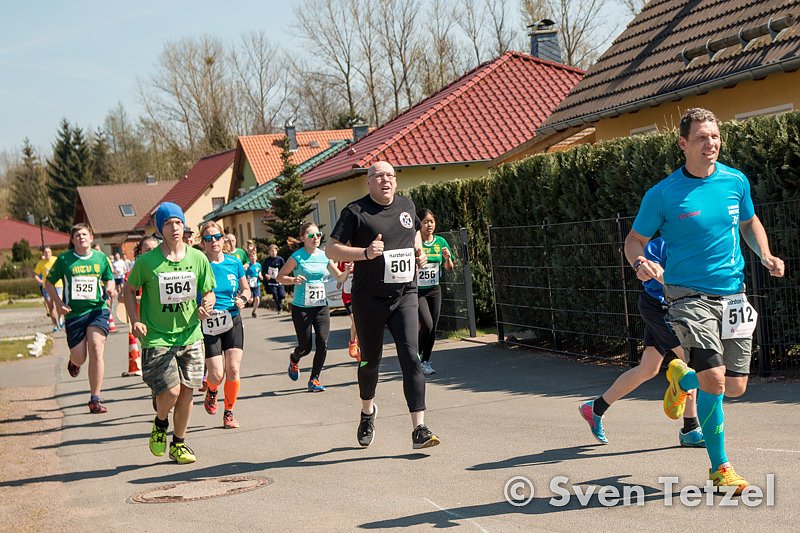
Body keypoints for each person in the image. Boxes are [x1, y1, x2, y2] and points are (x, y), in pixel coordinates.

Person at [624, 108, 785, 493]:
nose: (710, 143)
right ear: (683, 144)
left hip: (734, 294)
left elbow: (748, 222)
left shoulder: (736, 181)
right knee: (715, 381)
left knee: (735, 386)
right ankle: (721, 468)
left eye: (714, 136)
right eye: (701, 137)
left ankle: (682, 381)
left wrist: (763, 252)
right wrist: (640, 263)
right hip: (687, 296)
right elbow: (634, 241)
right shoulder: (662, 194)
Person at [327, 161, 440, 450]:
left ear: (395, 181)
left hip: (405, 295)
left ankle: (420, 429)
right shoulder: (355, 211)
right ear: (369, 182)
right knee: (370, 362)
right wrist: (364, 252)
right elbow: (331, 247)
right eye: (378, 176)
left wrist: (418, 250)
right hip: (369, 300)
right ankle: (367, 412)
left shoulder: (407, 205)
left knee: (411, 359)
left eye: (390, 175)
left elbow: (413, 231)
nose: (385, 180)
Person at [579, 237, 703, 447]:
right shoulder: (658, 246)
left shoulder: (692, 244)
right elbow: (655, 274)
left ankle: (596, 408)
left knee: (648, 369)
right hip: (659, 308)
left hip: (670, 308)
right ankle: (690, 428)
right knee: (694, 360)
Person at [124, 202, 216, 464]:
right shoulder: (147, 262)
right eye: (168, 223)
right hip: (157, 336)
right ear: (159, 229)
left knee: (188, 391)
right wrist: (135, 320)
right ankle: (160, 422)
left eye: (178, 222)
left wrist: (207, 302)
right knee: (172, 392)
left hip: (190, 334)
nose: (175, 228)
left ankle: (179, 444)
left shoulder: (197, 258)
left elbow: (208, 290)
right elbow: (128, 291)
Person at [45, 224, 116, 414]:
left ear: (91, 238)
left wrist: (110, 288)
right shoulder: (64, 260)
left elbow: (109, 278)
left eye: (84, 234)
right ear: (72, 240)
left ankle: (95, 398)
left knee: (96, 347)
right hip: (74, 313)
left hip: (97, 310)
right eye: (76, 235)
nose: (81, 237)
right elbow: (49, 283)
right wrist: (59, 303)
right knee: (80, 356)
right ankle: (74, 361)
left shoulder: (101, 258)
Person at [277, 223, 345, 392]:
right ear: (302, 238)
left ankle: (314, 379)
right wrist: (293, 280)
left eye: (318, 235)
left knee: (323, 343)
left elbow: (340, 278)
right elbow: (280, 277)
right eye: (311, 235)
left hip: (321, 306)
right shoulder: (297, 257)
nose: (316, 238)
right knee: (305, 347)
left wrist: (348, 271)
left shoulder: (324, 256)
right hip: (302, 308)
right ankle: (294, 359)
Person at [199, 221, 251, 429]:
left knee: (233, 369)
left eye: (217, 237)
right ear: (203, 243)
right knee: (216, 375)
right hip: (209, 322)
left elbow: (245, 288)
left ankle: (229, 412)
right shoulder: (200, 265)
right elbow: (191, 295)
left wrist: (244, 299)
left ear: (223, 239)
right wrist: (198, 309)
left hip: (232, 319)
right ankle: (212, 391)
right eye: (208, 238)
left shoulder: (234, 262)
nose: (214, 242)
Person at [417, 209, 454, 375]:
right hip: (418, 291)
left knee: (433, 328)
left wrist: (447, 258)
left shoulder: (441, 242)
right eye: (425, 222)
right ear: (419, 224)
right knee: (427, 323)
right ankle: (415, 355)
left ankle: (425, 361)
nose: (429, 225)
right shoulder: (415, 241)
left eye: (431, 221)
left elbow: (449, 268)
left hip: (434, 289)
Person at [34, 247, 64, 332]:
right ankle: (55, 324)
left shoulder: (56, 260)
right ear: (43, 254)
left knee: (59, 302)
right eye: (45, 252)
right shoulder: (41, 263)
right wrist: (39, 280)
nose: (47, 254)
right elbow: (36, 274)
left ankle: (61, 317)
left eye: (48, 252)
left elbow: (62, 269)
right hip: (46, 286)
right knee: (50, 306)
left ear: (51, 253)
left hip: (58, 285)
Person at [336, 260, 360, 360]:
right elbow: (339, 276)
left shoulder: (360, 258)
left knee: (361, 323)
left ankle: (359, 348)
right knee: (355, 319)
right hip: (348, 297)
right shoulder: (342, 261)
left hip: (360, 296)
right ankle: (352, 343)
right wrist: (339, 282)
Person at [262, 244, 286, 314]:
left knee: (282, 294)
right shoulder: (267, 260)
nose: (273, 252)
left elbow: (284, 269)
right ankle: (279, 308)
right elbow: (264, 271)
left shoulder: (280, 259)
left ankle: (281, 301)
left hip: (279, 280)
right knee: (275, 295)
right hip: (271, 281)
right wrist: (266, 275)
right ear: (269, 252)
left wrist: (282, 275)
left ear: (277, 251)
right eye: (272, 251)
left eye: (275, 251)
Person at [245, 247, 263, 318]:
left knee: (257, 299)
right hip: (249, 285)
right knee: (250, 300)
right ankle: (249, 302)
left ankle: (254, 311)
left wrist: (260, 276)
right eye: (251, 256)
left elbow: (260, 273)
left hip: (256, 284)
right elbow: (244, 274)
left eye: (254, 256)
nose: (253, 258)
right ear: (249, 258)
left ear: (256, 257)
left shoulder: (258, 265)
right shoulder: (248, 265)